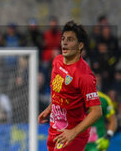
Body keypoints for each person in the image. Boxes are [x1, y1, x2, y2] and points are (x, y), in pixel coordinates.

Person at [38, 20, 102, 151]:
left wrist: (73, 132)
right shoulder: (57, 61)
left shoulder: (84, 76)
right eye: (63, 39)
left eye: (70, 39)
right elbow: (61, 92)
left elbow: (97, 112)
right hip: (55, 129)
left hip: (73, 136)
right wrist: (50, 107)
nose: (64, 43)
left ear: (80, 46)